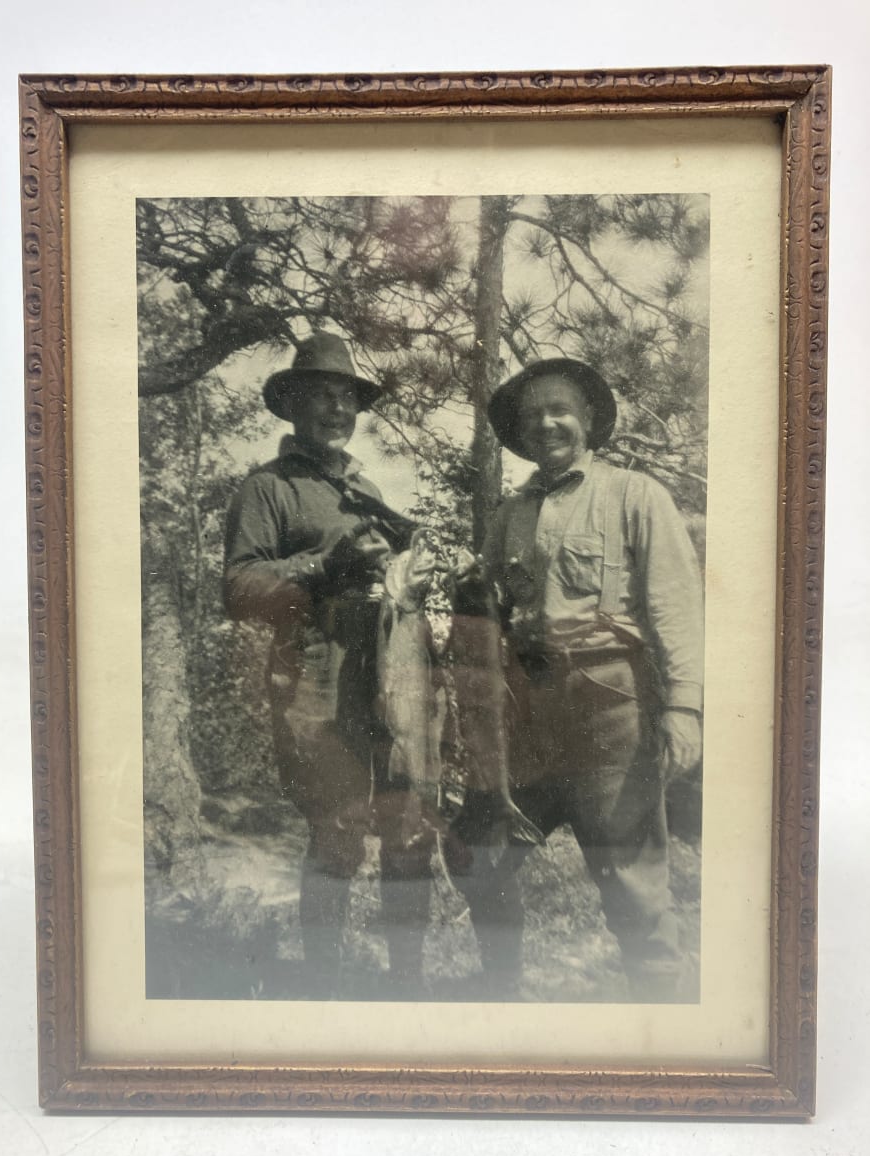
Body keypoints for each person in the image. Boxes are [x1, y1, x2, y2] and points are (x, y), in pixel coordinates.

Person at [447, 358, 704, 1002]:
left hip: (609, 706)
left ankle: (668, 1026)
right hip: (525, 714)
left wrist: (684, 707)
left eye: (560, 409)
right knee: (484, 856)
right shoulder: (510, 513)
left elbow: (676, 605)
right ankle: (501, 999)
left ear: (587, 421)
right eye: (534, 416)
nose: (548, 423)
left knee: (629, 879)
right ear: (522, 434)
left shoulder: (635, 495)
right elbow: (491, 613)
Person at [223, 331, 434, 999]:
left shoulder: (365, 488)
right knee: (339, 827)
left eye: (345, 398)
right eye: (321, 396)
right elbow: (239, 587)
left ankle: (407, 984)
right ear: (292, 407)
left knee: (408, 822)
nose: (336, 410)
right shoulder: (266, 489)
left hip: (394, 669)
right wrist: (323, 566)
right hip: (317, 673)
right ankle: (321, 990)